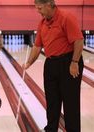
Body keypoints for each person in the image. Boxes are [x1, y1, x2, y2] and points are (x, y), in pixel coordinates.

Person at [23, 0, 84, 131]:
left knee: (70, 103)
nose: (38, 11)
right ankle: (51, 129)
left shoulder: (66, 18)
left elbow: (79, 40)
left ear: (50, 4)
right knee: (52, 102)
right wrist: (29, 62)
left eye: (40, 8)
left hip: (68, 62)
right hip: (50, 64)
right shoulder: (42, 23)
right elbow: (37, 46)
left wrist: (74, 62)